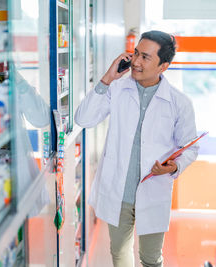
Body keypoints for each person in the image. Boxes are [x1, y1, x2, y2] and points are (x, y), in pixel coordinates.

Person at [75, 30, 199, 267]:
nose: (136, 62)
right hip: (118, 190)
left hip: (153, 190)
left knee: (151, 259)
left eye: (145, 57)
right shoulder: (118, 88)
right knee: (119, 253)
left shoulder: (179, 102)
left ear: (163, 66)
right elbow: (84, 119)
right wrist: (107, 78)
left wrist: (174, 166)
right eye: (135, 54)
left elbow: (190, 147)